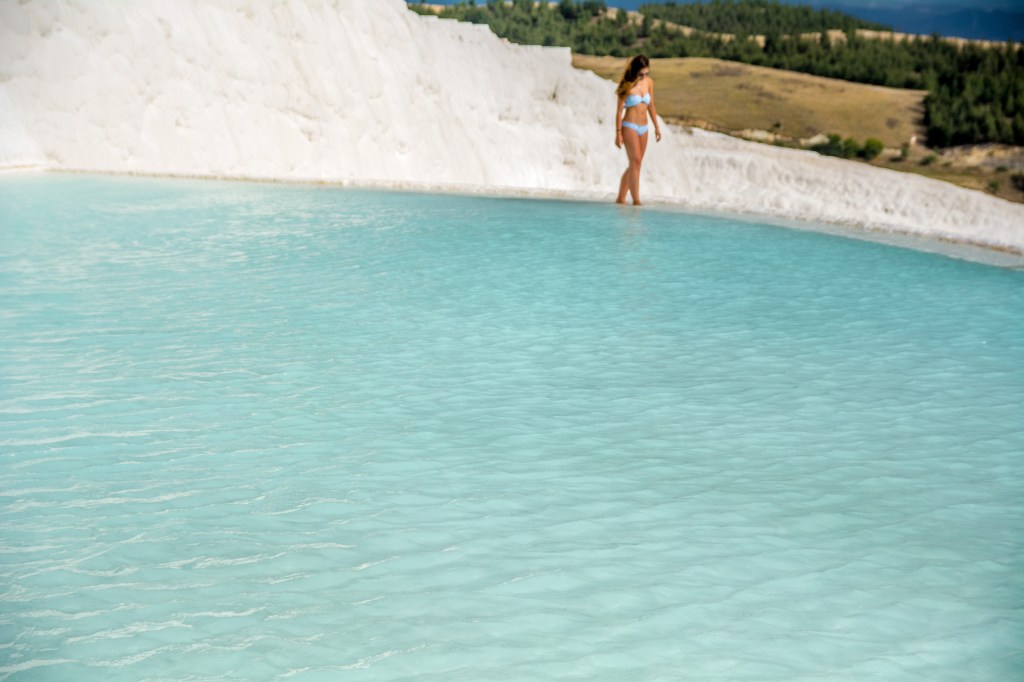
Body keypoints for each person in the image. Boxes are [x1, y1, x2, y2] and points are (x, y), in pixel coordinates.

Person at [615, 55, 661, 206]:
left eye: (646, 73)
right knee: (635, 161)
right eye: (641, 74)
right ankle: (636, 200)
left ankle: (621, 198)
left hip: (644, 127)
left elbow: (651, 106)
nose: (644, 77)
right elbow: (619, 112)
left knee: (636, 163)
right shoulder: (626, 86)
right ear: (635, 71)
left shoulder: (649, 83)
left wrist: (657, 127)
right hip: (629, 126)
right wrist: (618, 133)